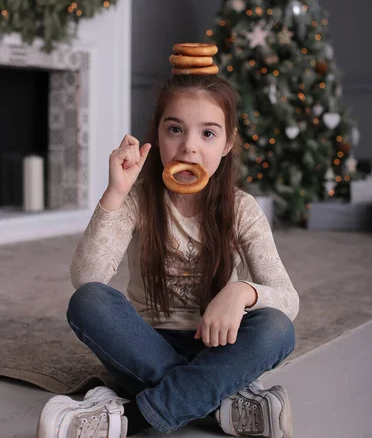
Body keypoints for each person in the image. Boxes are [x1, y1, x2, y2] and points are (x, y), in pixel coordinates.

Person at [36, 65, 299, 438]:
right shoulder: (138, 199)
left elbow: (288, 298)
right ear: (158, 136)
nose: (190, 145)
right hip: (145, 347)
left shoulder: (242, 209)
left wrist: (242, 292)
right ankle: (224, 401)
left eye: (208, 133)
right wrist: (115, 193)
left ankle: (131, 419)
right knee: (88, 301)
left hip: (220, 346)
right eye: (175, 129)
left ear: (227, 144)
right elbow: (88, 277)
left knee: (276, 328)